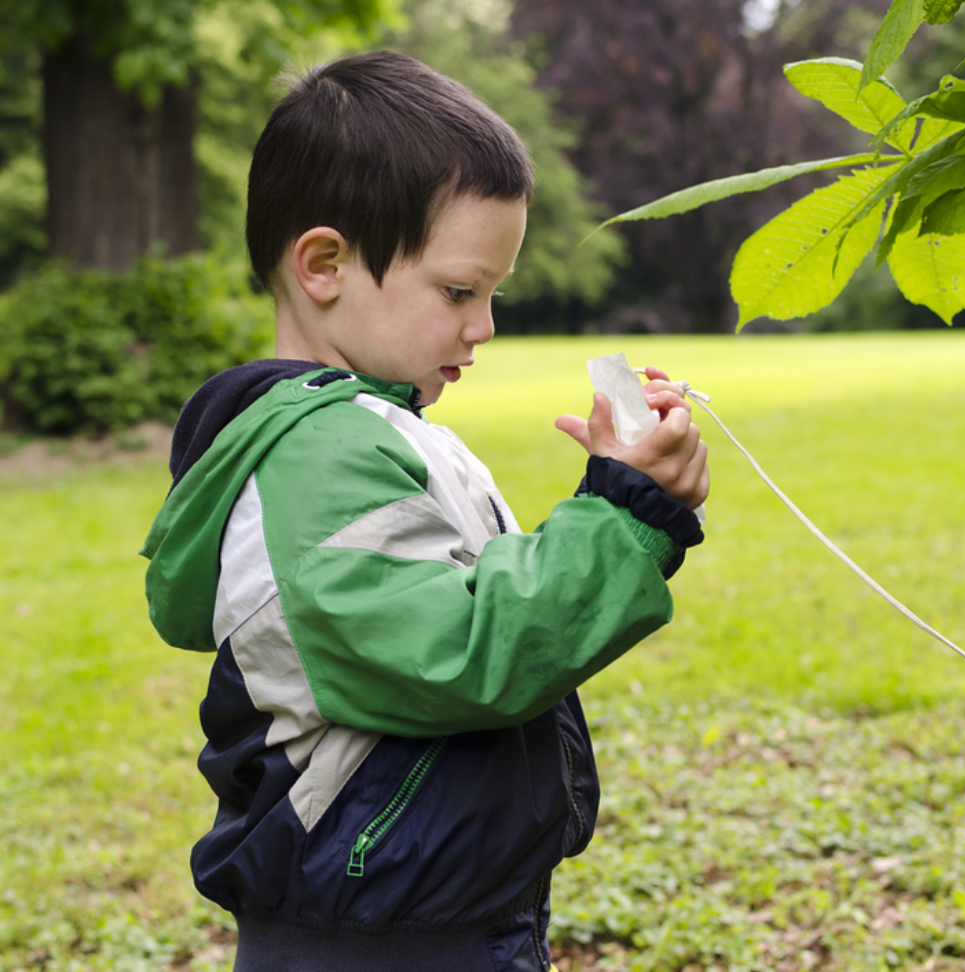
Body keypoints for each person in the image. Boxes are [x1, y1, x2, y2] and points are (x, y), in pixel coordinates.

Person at [141, 50, 708, 972]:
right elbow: (465, 652)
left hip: (429, 910)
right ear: (324, 264)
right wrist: (623, 512)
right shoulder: (316, 455)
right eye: (459, 292)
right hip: (376, 938)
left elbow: (489, 605)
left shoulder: (370, 431)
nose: (482, 327)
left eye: (490, 295)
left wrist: (627, 495)